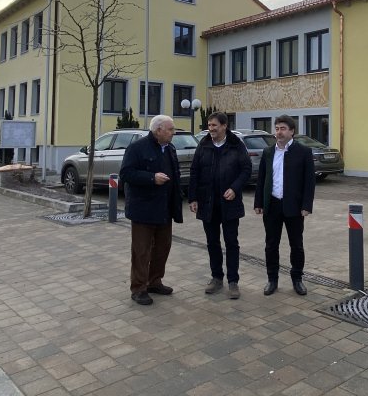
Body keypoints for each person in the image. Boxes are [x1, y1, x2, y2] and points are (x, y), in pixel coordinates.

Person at [119, 115, 183, 305]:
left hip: (165, 209)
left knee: (162, 248)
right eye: (170, 129)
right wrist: (151, 178)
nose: (173, 133)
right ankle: (138, 288)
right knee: (141, 251)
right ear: (158, 130)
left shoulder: (170, 149)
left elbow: (176, 175)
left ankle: (154, 281)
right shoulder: (137, 148)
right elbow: (126, 174)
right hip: (143, 210)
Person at [188, 112, 252, 300]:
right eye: (209, 125)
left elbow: (246, 169)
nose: (211, 128)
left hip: (229, 203)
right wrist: (193, 198)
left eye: (215, 125)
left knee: (231, 243)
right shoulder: (204, 144)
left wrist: (235, 188)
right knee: (212, 242)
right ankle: (217, 278)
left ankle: (233, 281)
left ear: (224, 126)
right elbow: (194, 171)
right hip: (208, 203)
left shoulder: (236, 145)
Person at [254, 115, 315, 296]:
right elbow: (261, 179)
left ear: (291, 131)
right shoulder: (268, 152)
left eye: (283, 128)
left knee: (296, 245)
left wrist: (306, 205)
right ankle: (272, 279)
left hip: (294, 207)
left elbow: (309, 182)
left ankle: (297, 279)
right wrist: (259, 202)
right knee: (271, 245)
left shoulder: (303, 152)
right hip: (272, 205)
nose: (279, 132)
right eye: (277, 128)